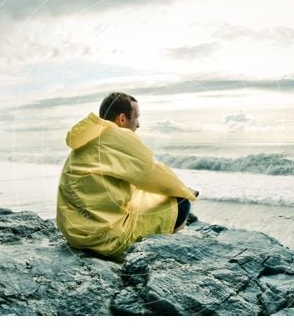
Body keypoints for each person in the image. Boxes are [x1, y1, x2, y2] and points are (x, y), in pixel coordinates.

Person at [56, 92, 199, 259]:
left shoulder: (87, 140)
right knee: (181, 203)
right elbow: (152, 173)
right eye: (136, 117)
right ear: (122, 119)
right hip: (106, 240)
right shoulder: (119, 137)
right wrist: (186, 191)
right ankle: (167, 250)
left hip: (74, 234)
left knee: (145, 198)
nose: (138, 125)